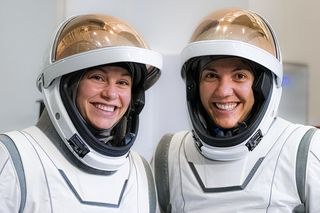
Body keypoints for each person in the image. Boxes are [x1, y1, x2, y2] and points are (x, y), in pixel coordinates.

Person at [153, 8, 320, 212]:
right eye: (211, 76)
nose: (223, 91)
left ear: (263, 87)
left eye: (239, 76)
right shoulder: (170, 156)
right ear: (194, 86)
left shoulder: (304, 150)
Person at [0, 14, 162, 212]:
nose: (111, 94)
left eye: (122, 83)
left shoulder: (139, 171)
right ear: (68, 86)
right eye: (98, 77)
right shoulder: (15, 156)